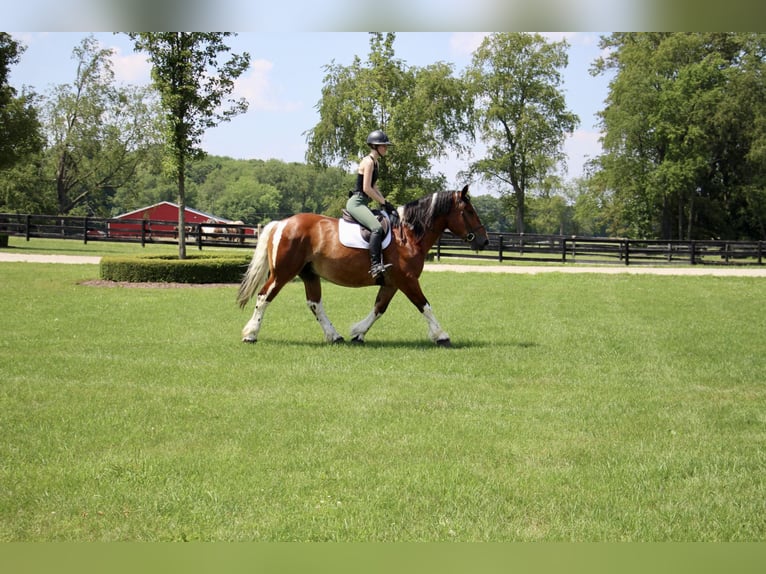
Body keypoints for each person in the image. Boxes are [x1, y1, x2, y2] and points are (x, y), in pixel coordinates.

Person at [346, 129, 397, 280]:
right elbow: (366, 188)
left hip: (364, 203)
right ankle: (375, 265)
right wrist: (382, 202)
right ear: (375, 146)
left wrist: (386, 202)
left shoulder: (376, 163)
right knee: (376, 227)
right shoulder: (367, 162)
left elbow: (374, 187)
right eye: (384, 145)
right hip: (356, 203)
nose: (386, 148)